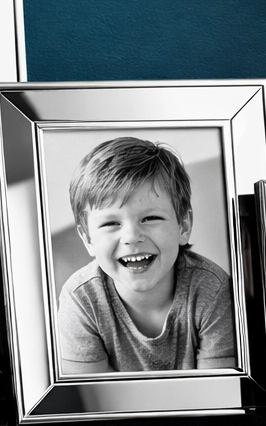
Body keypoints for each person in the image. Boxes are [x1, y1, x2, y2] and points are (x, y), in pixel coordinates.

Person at [55, 137, 236, 374]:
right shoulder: (81, 299)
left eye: (150, 218)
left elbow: (221, 398)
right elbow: (93, 404)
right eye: (111, 223)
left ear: (183, 226)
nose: (131, 236)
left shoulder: (212, 290)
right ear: (88, 239)